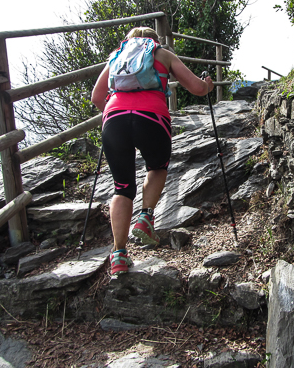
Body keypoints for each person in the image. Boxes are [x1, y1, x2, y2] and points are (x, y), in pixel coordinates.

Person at [91, 27, 214, 275]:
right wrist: (208, 85)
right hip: (152, 117)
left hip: (114, 119)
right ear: (154, 41)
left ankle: (118, 255)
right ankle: (145, 218)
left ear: (129, 41)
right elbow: (197, 88)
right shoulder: (162, 53)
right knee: (157, 167)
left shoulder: (116, 56)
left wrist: (116, 110)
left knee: (122, 187)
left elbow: (96, 97)